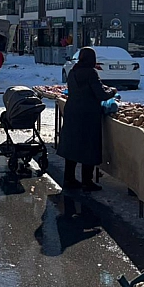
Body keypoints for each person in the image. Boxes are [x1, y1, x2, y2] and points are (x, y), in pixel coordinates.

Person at [56, 47, 117, 191]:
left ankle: (69, 178)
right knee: (89, 147)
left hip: (72, 111)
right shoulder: (91, 72)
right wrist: (112, 91)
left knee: (72, 146)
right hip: (88, 114)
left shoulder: (73, 71)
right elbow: (101, 94)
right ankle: (86, 181)